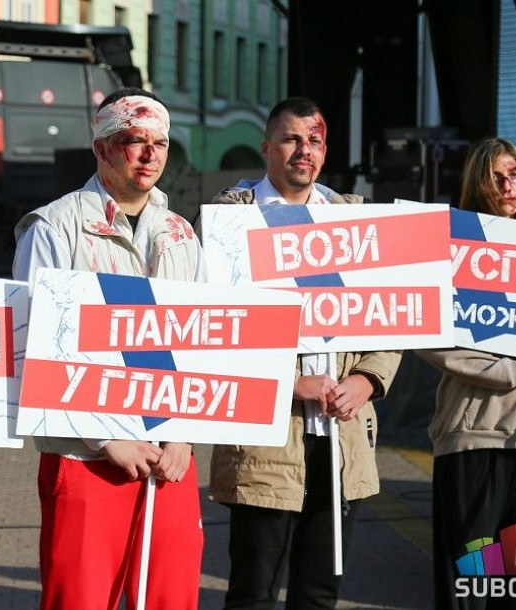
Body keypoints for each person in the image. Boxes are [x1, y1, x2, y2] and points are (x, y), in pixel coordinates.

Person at [12, 88, 205, 610]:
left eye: (160, 143)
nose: (150, 155)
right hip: (84, 457)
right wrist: (105, 439)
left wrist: (184, 438)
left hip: (170, 458)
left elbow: (203, 347)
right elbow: (33, 347)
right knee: (79, 601)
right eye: (133, 141)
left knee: (171, 599)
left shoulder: (182, 235)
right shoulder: (54, 227)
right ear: (100, 147)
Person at [206, 96, 401, 609]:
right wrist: (287, 383)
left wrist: (366, 381)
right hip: (269, 437)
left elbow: (394, 316)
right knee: (253, 589)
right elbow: (208, 328)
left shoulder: (353, 220)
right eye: (292, 139)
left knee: (320, 591)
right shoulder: (231, 222)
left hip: (342, 439)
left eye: (314, 141)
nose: (303, 151)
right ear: (267, 147)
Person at [416, 137, 516, 609]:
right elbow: (428, 337)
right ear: (478, 183)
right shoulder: (450, 247)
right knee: (474, 590)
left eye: (515, 174)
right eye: (497, 176)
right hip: (474, 436)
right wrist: (509, 370)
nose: (508, 185)